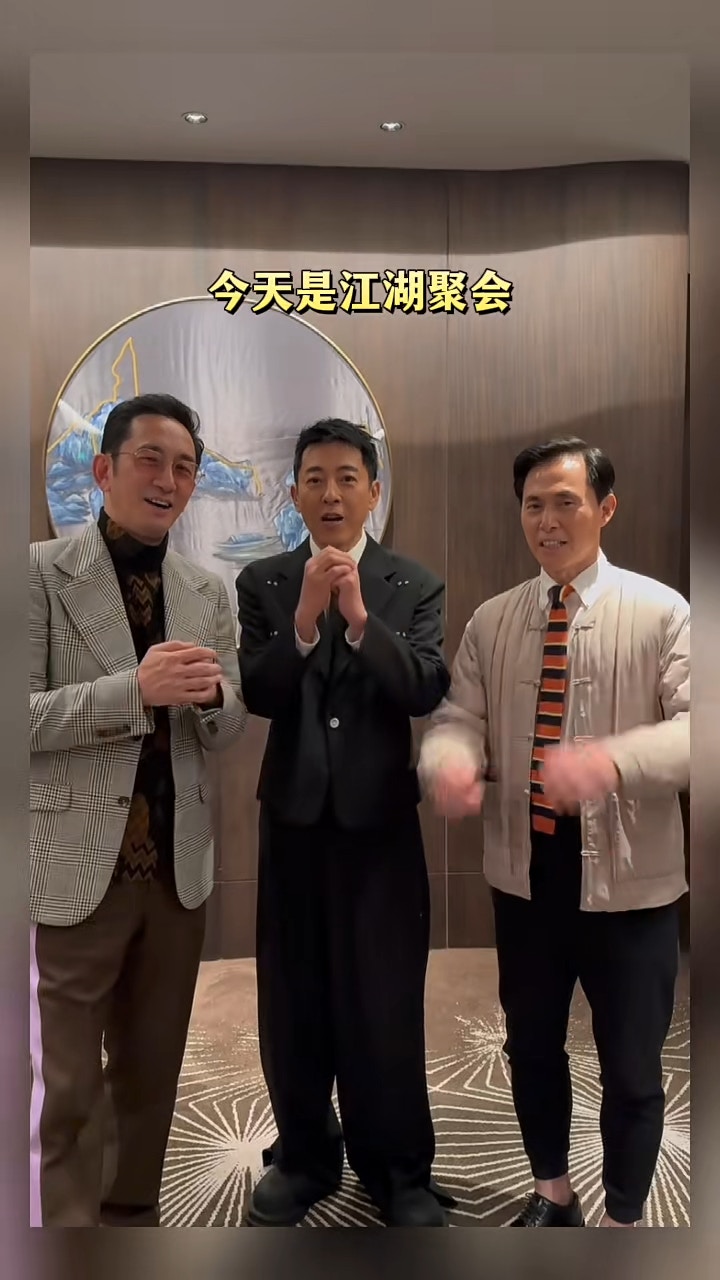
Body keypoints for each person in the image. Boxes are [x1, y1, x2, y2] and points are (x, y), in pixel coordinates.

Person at [419, 437, 689, 1229]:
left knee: (632, 1066)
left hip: (633, 886)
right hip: (526, 879)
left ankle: (625, 1218)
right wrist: (451, 760)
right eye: (533, 505)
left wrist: (613, 763)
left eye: (566, 502)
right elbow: (457, 716)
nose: (547, 520)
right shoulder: (494, 619)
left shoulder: (662, 611)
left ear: (605, 509)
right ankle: (553, 1192)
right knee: (531, 1047)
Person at [30, 393, 247, 1227]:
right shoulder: (36, 573)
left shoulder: (205, 589)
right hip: (75, 867)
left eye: (185, 467)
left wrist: (214, 698)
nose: (168, 479)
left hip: (175, 874)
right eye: (150, 459)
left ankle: (130, 1221)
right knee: (68, 1084)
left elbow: (227, 727)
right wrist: (134, 691)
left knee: (152, 1072)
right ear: (104, 469)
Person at [236, 418, 454, 1227]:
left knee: (384, 997)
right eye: (315, 479)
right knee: (292, 995)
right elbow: (260, 692)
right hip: (292, 820)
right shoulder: (262, 580)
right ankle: (304, 1156)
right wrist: (302, 621)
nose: (331, 494)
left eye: (347, 478)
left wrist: (362, 620)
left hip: (380, 824)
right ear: (294, 494)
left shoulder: (412, 582)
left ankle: (398, 1169)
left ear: (373, 491)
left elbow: (424, 687)